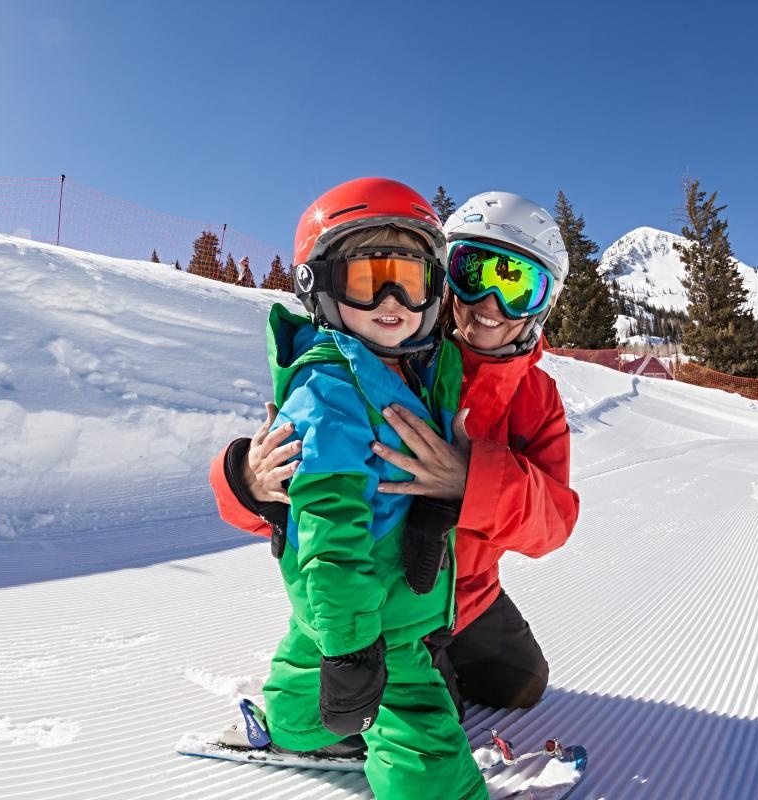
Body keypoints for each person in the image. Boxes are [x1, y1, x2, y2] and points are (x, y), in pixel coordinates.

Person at [211, 189, 580, 734]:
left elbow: (553, 525)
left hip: (469, 594)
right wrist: (247, 480)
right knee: (425, 715)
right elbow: (319, 483)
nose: (490, 305)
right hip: (391, 594)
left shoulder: (536, 397)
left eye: (518, 285)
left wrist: (470, 480)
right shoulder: (391, 356)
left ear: (542, 305)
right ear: (438, 273)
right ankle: (318, 687)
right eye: (472, 273)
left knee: (521, 683)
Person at [245, 177, 486, 800]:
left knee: (308, 646)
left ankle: (296, 724)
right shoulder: (330, 396)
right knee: (419, 726)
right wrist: (353, 651)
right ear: (319, 287)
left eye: (409, 280)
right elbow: (329, 529)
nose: (391, 300)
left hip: (346, 600)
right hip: (377, 615)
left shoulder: (399, 371)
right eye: (366, 278)